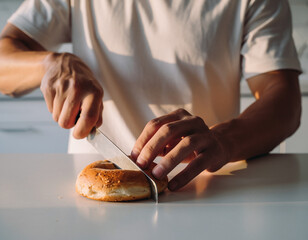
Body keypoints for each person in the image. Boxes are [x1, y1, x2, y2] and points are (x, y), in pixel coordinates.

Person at [0, 0, 302, 191]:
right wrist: (50, 63)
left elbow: (283, 98)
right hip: (93, 199)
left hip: (204, 188)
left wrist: (224, 140)